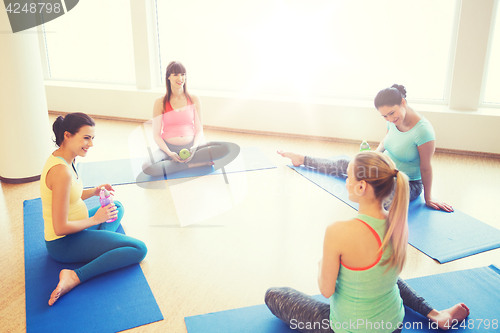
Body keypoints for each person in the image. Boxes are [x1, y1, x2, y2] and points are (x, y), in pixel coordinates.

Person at [265, 151, 469, 333]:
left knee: (274, 295)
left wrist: (321, 266)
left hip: (350, 329)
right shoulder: (398, 223)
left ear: (361, 186)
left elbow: (326, 291)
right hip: (394, 326)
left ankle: (436, 315)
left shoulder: (338, 231)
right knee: (382, 275)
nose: (345, 180)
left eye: (348, 176)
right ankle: (434, 314)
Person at [278, 84, 453, 212]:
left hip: (406, 183)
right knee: (347, 163)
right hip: (384, 170)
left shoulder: (423, 132)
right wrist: (373, 157)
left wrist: (428, 198)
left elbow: (426, 167)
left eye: (392, 113)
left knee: (378, 198)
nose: (390, 119)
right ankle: (302, 159)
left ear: (403, 102)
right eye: (384, 116)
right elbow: (387, 140)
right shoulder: (393, 122)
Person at [41, 112, 147, 306]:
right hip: (64, 242)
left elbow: (70, 196)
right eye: (86, 138)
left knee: (116, 206)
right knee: (139, 249)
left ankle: (98, 248)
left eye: (92, 138)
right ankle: (74, 276)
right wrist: (95, 220)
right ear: (67, 135)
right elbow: (59, 228)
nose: (91, 144)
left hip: (78, 227)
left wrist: (95, 191)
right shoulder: (60, 172)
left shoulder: (67, 159)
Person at [142, 61, 234, 176]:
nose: (180, 78)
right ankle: (192, 164)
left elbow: (199, 130)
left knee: (226, 147)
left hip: (192, 148)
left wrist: (195, 147)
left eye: (183, 74)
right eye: (176, 74)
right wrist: (169, 153)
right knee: (147, 167)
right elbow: (156, 134)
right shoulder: (160, 102)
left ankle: (178, 163)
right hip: (168, 149)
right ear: (168, 77)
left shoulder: (194, 98)